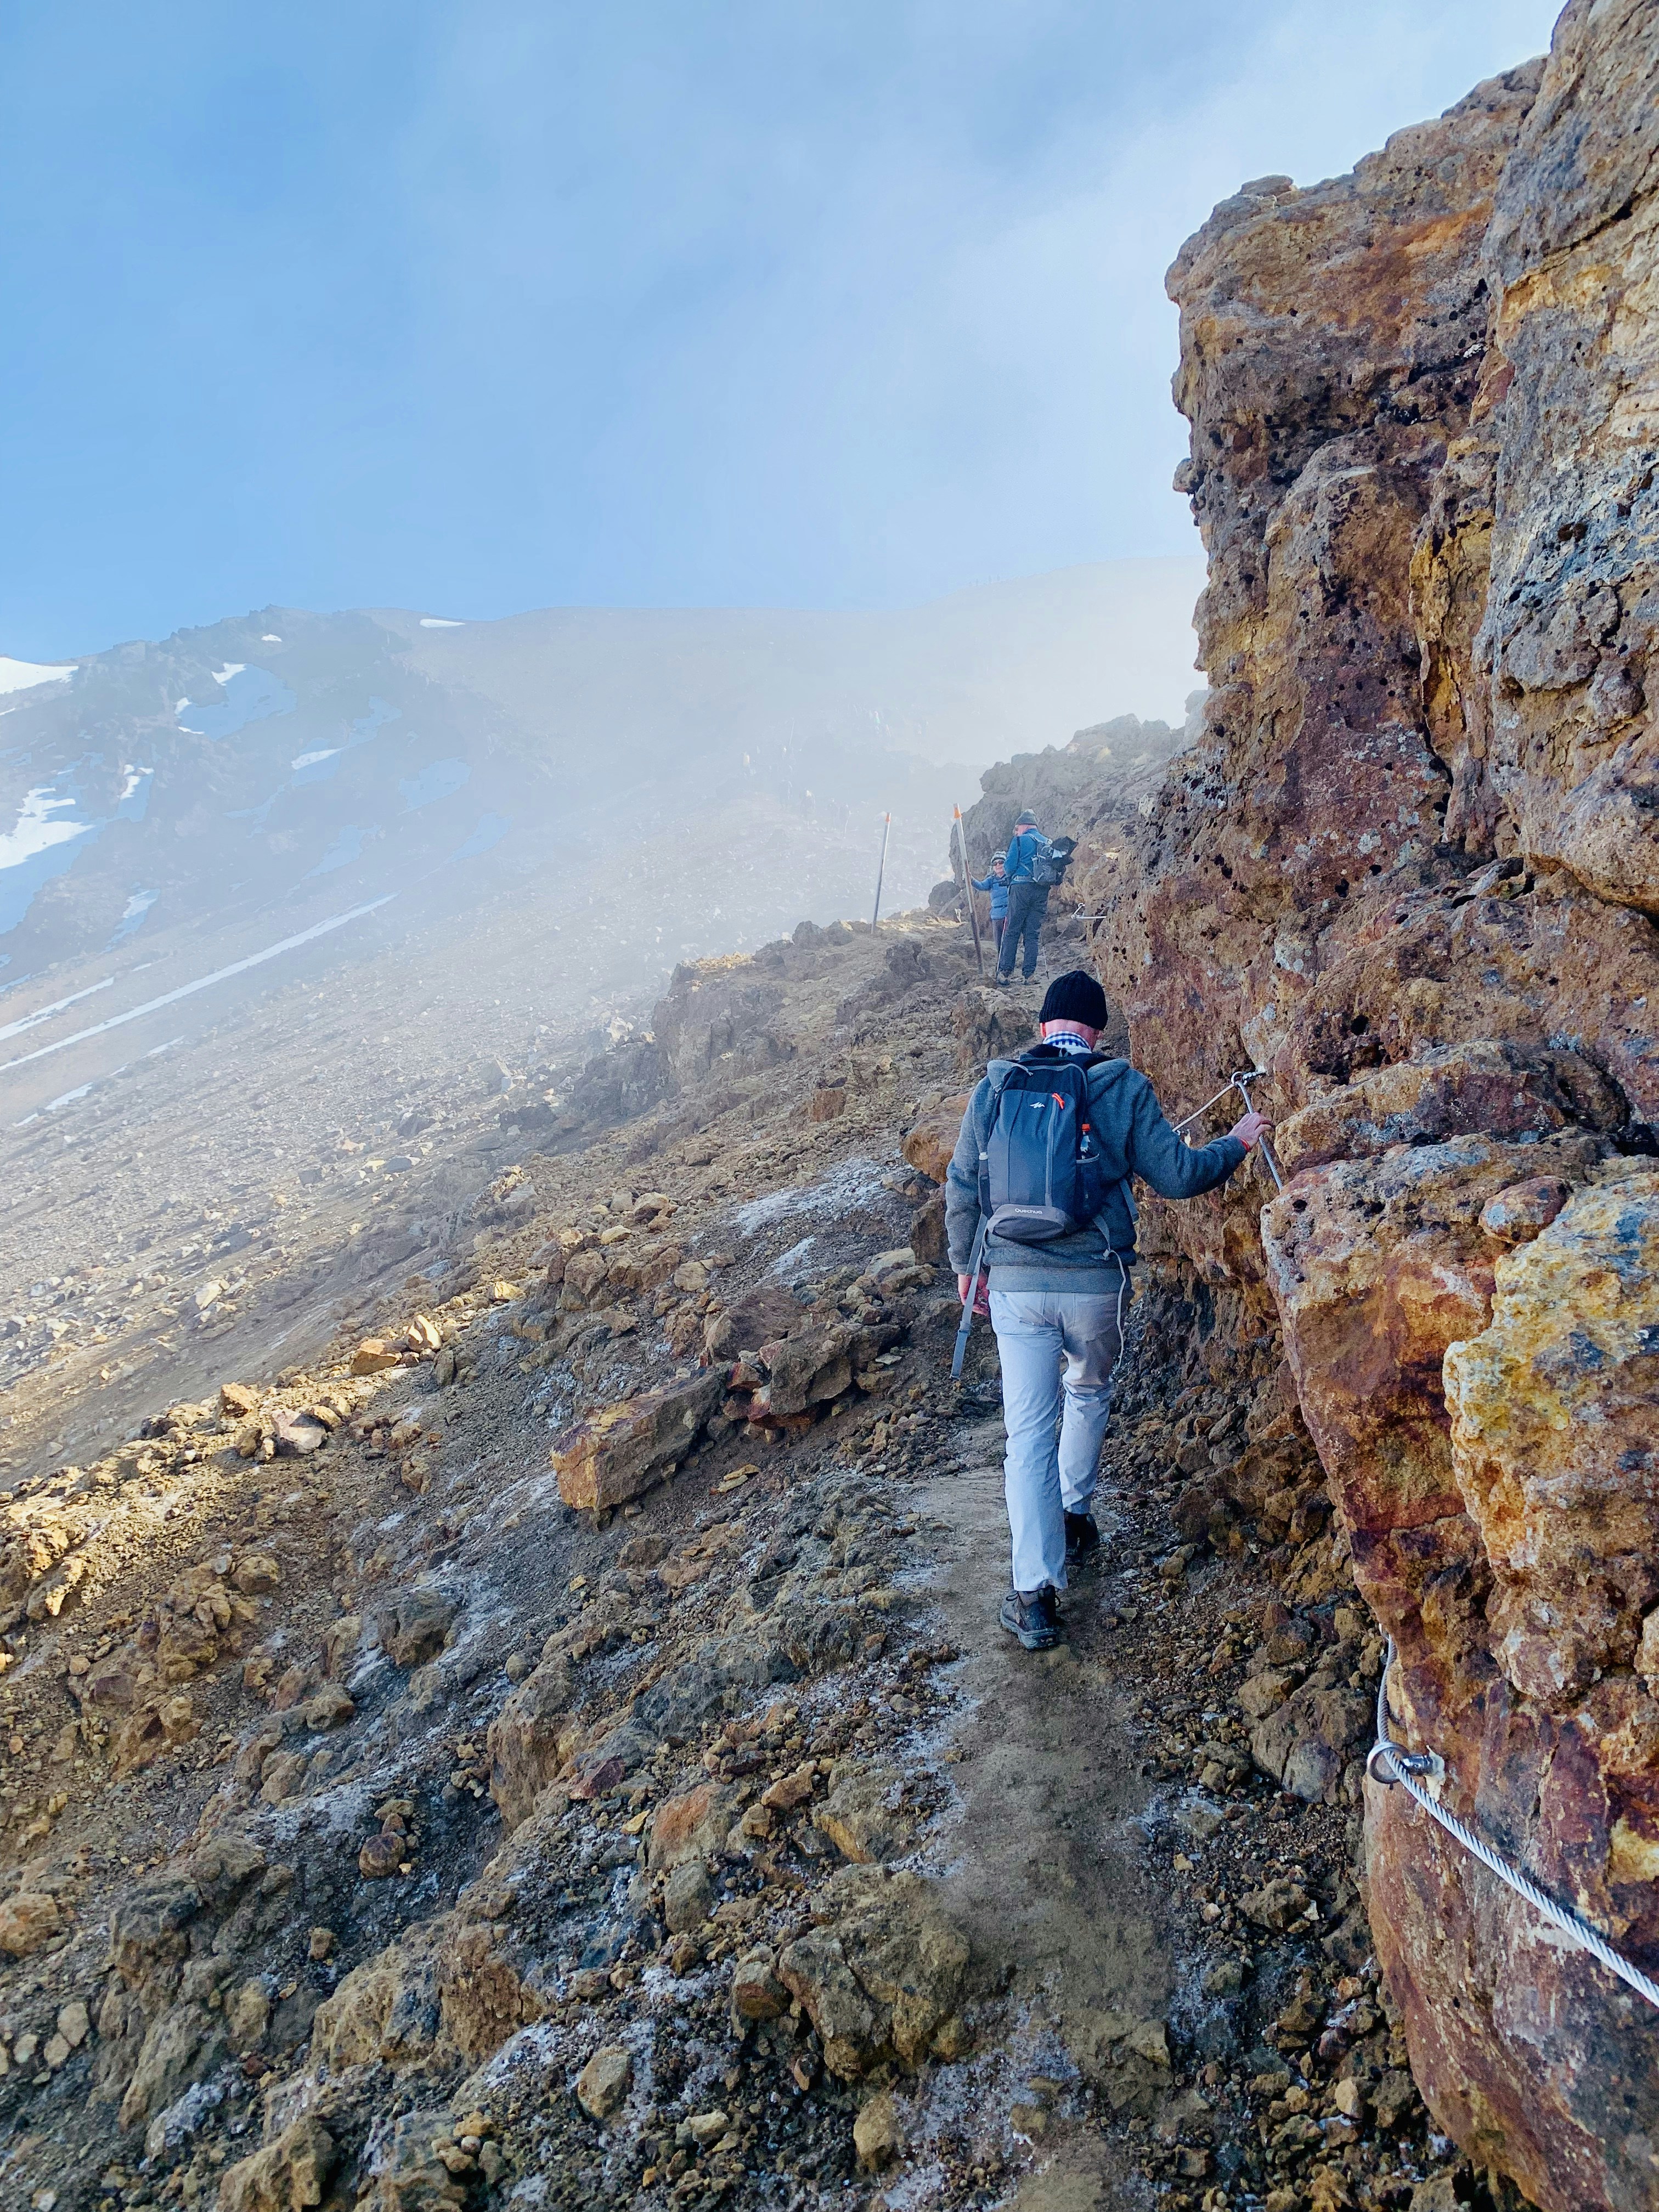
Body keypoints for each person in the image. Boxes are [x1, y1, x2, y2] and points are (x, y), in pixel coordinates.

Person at [945, 969, 1269, 1651]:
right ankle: (1076, 1510)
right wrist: (1238, 1140)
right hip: (1098, 1282)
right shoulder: (1121, 1085)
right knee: (1088, 1390)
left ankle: (1035, 1597)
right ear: (1097, 1029)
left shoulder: (997, 1084)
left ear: (1043, 1027)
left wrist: (963, 1267)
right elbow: (1179, 1176)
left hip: (1014, 1283)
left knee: (1026, 1434)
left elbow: (964, 1183)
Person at [996, 809, 1049, 985]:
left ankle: (1005, 973)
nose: (1016, 832)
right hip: (1041, 891)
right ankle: (1029, 975)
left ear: (1024, 826)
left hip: (1020, 889)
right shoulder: (1047, 841)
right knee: (1032, 934)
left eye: (1017, 828)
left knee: (1012, 931)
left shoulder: (1019, 840)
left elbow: (1009, 867)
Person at [971, 854, 1011, 961]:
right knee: (999, 942)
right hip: (996, 915)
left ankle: (1008, 964)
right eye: (995, 863)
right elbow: (981, 886)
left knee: (1008, 941)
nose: (998, 865)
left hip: (1010, 913)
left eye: (1001, 862)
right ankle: (1001, 963)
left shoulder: (1011, 877)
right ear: (993, 867)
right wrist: (971, 880)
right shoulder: (991, 880)